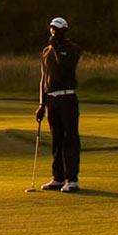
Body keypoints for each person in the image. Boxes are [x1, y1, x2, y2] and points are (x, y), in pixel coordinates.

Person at [35, 17, 81, 192]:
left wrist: (55, 47)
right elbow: (43, 79)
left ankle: (72, 179)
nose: (54, 32)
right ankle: (58, 177)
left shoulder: (73, 49)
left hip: (67, 98)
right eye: (52, 29)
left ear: (65, 31)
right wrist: (41, 104)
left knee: (70, 139)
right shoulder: (46, 51)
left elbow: (66, 67)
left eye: (58, 29)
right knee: (57, 140)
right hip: (52, 100)